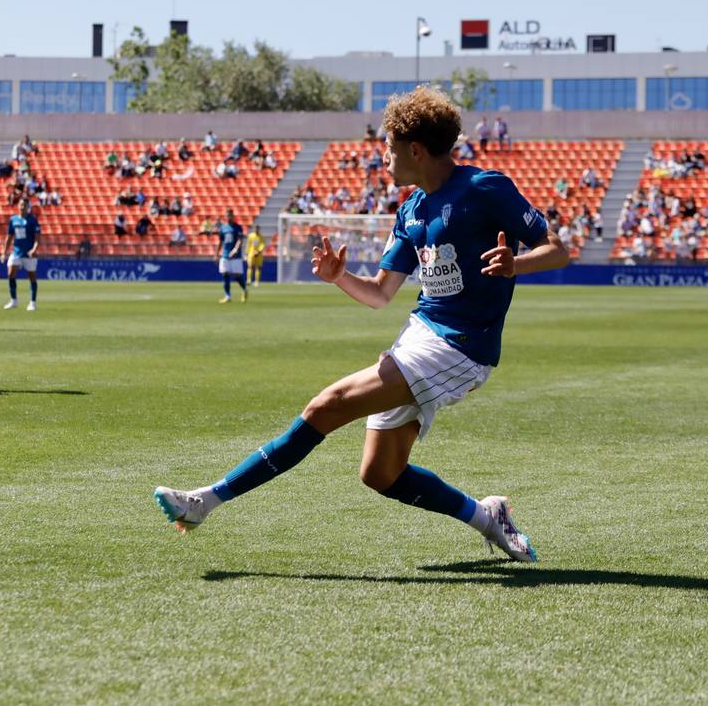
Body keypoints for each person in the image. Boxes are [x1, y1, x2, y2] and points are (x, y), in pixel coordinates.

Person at [153, 86, 568, 561]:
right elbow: (379, 293)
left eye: (389, 147)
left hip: (462, 348)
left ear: (415, 150)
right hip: (419, 336)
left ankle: (205, 501)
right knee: (380, 474)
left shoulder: (484, 187)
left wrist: (517, 264)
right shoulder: (411, 210)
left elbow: (558, 249)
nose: (383, 157)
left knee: (327, 405)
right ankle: (487, 516)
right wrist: (339, 277)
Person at [2, 199, 40, 312]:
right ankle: (14, 300)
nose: (22, 207)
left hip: (29, 253)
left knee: (31, 276)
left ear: (28, 207)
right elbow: (9, 237)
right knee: (10, 274)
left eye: (24, 205)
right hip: (16, 252)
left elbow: (38, 238)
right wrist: (4, 252)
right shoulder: (13, 219)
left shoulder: (33, 220)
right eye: (21, 205)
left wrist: (34, 249)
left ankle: (32, 302)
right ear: (18, 206)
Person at [216, 208, 247, 303]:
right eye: (227, 215)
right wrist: (217, 254)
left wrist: (235, 250)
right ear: (225, 216)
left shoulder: (238, 227)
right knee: (225, 274)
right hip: (225, 255)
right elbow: (220, 241)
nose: (229, 217)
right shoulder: (223, 228)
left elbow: (240, 240)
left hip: (235, 256)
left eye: (230, 215)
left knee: (236, 276)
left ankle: (245, 289)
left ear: (233, 216)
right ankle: (227, 296)